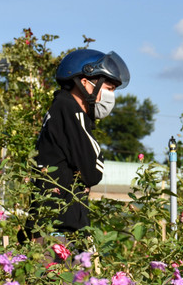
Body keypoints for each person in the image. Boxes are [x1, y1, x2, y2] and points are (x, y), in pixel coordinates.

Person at [29, 48, 130, 237]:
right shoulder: (68, 110)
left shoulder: (63, 111)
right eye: (109, 89)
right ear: (86, 83)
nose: (110, 97)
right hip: (57, 231)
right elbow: (92, 171)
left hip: (55, 226)